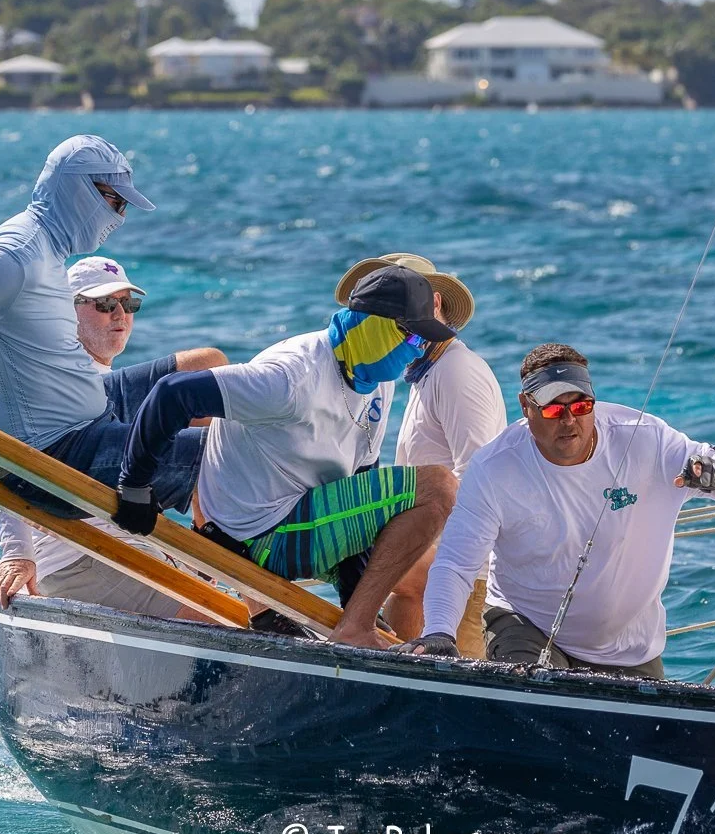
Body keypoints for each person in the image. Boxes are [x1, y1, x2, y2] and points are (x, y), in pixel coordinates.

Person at [113, 266, 460, 647]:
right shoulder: (290, 378)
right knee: (439, 487)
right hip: (254, 533)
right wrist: (134, 486)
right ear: (374, 326)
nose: (419, 348)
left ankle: (360, 624)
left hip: (297, 516)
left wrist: (355, 599)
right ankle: (353, 629)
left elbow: (358, 488)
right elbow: (171, 393)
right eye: (412, 336)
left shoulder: (377, 385)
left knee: (420, 569)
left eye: (424, 341)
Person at [0, 135, 206, 526]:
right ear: (78, 192)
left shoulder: (41, 244)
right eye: (115, 201)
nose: (121, 216)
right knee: (236, 454)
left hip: (87, 423)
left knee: (201, 377)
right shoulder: (17, 255)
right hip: (59, 456)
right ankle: (248, 564)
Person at [407, 343, 715, 679]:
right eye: (552, 408)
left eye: (580, 406)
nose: (568, 420)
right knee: (539, 697)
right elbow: (456, 563)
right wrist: (439, 632)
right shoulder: (494, 467)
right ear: (525, 406)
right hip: (525, 624)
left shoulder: (646, 439)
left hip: (629, 648)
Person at [0, 257, 224, 616]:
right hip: (77, 558)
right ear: (65, 311)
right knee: (213, 623)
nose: (120, 315)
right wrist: (17, 552)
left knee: (209, 369)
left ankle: (213, 542)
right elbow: (1, 460)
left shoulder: (101, 381)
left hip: (135, 542)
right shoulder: (39, 376)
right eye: (104, 304)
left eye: (129, 305)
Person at [334, 253, 506, 657]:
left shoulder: (457, 372)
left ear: (434, 306)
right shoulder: (423, 371)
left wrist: (411, 562)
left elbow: (482, 478)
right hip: (431, 577)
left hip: (460, 583)